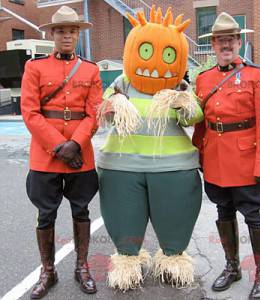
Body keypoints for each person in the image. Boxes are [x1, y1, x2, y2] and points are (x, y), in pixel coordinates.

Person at [97, 6, 203, 291]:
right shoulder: (122, 84)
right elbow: (103, 113)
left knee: (175, 217)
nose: (155, 63)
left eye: (168, 55)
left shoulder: (180, 87)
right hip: (122, 167)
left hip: (173, 167)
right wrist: (115, 105)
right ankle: (128, 264)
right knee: (123, 217)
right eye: (146, 52)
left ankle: (172, 260)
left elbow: (194, 117)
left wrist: (183, 103)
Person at [193, 12, 260, 300]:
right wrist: (197, 154)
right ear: (214, 44)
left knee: (255, 217)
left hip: (248, 162)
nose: (226, 44)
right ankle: (232, 267)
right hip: (216, 160)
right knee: (223, 213)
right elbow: (201, 122)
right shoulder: (204, 79)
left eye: (231, 39)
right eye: (220, 40)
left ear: (240, 41)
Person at [21, 6, 102, 299]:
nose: (67, 35)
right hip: (46, 156)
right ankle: (48, 271)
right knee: (46, 214)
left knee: (81, 210)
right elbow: (30, 112)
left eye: (72, 30)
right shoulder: (35, 68)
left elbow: (94, 114)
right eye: (61, 31)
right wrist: (59, 146)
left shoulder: (91, 70)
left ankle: (82, 267)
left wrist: (75, 144)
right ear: (52, 34)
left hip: (81, 154)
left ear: (78, 34)